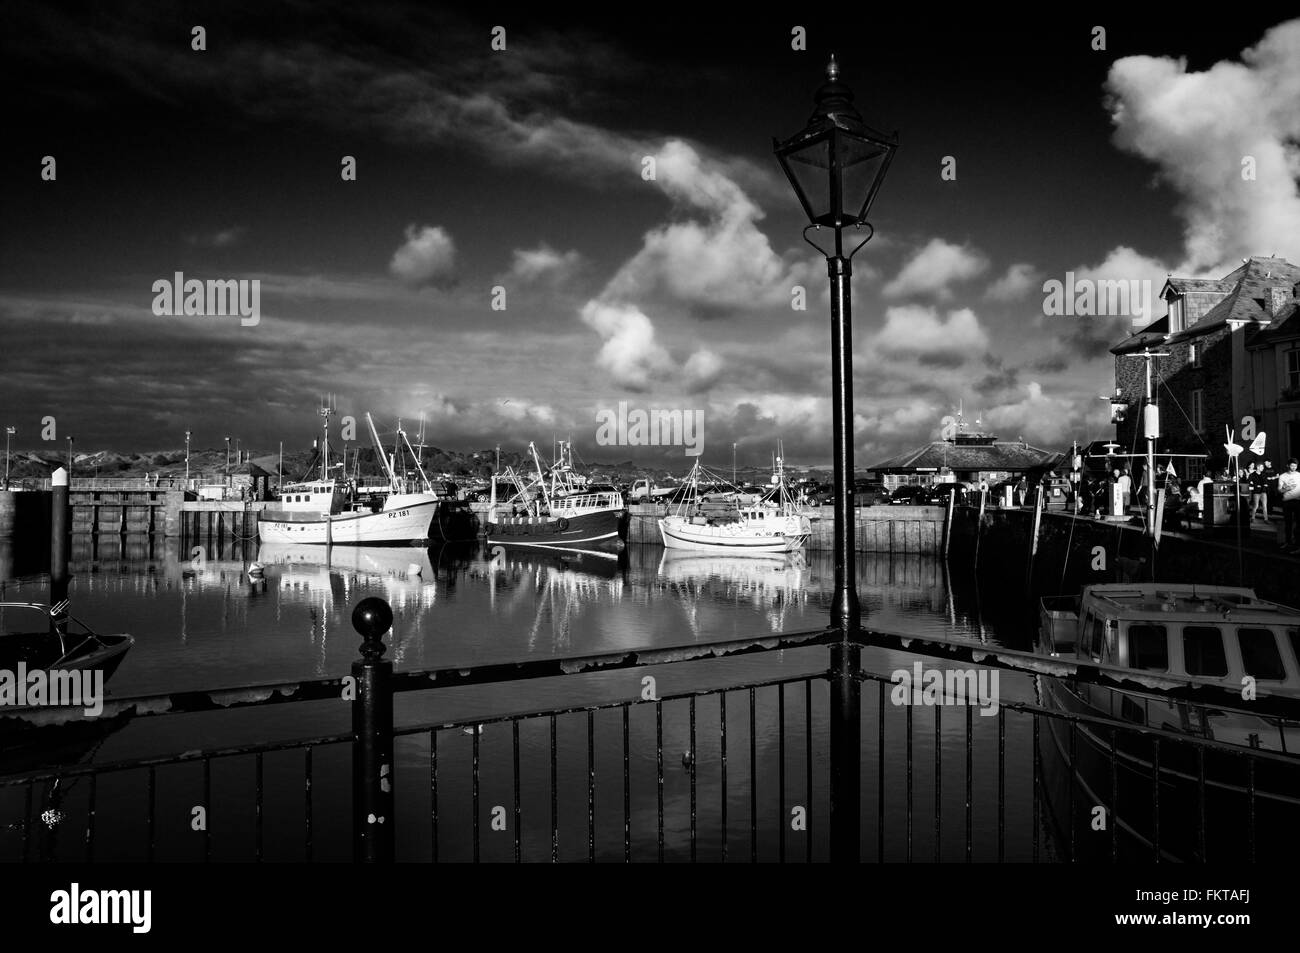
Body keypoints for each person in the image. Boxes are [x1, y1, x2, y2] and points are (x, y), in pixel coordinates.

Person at [1280, 458, 1300, 551]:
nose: (1294, 468)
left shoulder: (1299, 475)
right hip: (1287, 502)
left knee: (1298, 524)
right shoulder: (1282, 476)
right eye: (1292, 466)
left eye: (1295, 466)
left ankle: (1297, 543)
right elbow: (1280, 490)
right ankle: (1288, 542)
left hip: (1298, 502)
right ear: (1287, 465)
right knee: (1288, 523)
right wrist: (1287, 488)